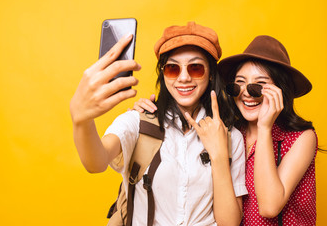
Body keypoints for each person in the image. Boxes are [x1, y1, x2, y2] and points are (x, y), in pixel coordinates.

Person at [70, 22, 247, 225]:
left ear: (211, 74)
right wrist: (82, 120)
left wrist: (219, 155)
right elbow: (96, 162)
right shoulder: (138, 122)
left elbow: (230, 223)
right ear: (163, 74)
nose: (184, 77)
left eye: (195, 68)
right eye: (173, 68)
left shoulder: (231, 135)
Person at [135, 35, 318, 225]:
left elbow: (269, 206)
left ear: (280, 90)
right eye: (239, 83)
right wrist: (147, 113)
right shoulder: (228, 132)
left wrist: (264, 128)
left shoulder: (301, 138)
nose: (246, 92)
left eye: (258, 85)